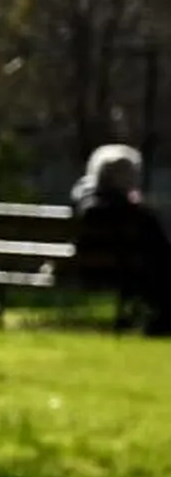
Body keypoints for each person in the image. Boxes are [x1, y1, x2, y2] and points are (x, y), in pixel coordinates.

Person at [69, 143, 171, 334]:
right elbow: (162, 249)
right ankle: (162, 322)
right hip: (130, 273)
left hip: (89, 272)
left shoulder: (84, 207)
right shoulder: (139, 215)